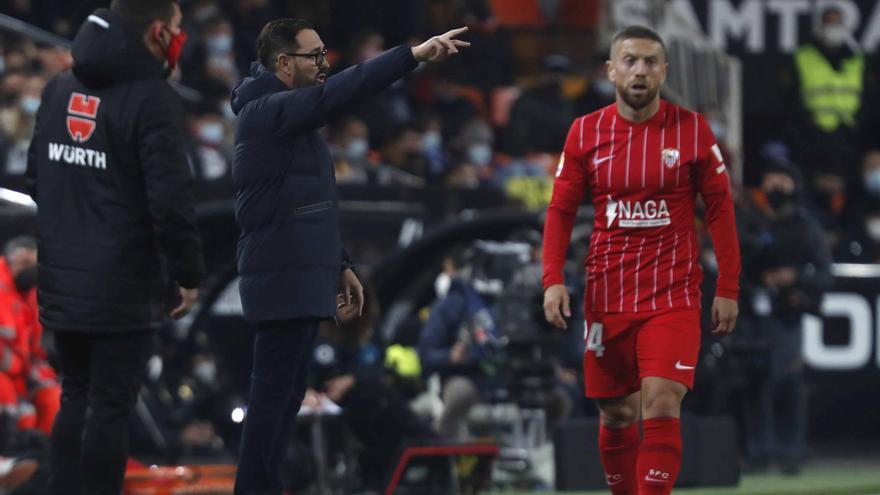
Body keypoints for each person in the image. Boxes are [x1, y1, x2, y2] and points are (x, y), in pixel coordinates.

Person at [229, 18, 469, 495]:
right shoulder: (265, 111)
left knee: (284, 399)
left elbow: (306, 207)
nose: (323, 65)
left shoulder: (291, 120)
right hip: (280, 277)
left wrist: (340, 265)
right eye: (313, 56)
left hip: (297, 274)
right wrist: (411, 55)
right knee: (273, 399)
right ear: (282, 63)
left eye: (324, 55)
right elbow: (339, 93)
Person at [542, 26, 741, 495]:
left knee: (661, 400)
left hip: (672, 294)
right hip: (608, 295)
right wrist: (552, 278)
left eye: (651, 61)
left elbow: (720, 209)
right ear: (611, 70)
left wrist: (728, 287)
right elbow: (560, 210)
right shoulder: (585, 131)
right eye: (629, 60)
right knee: (617, 413)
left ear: (664, 71)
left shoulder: (691, 129)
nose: (640, 70)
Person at [25, 1, 206, 493]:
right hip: (124, 283)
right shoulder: (153, 99)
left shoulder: (60, 87)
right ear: (155, 32)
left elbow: (36, 178)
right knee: (109, 404)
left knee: (75, 396)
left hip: (62, 278)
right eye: (176, 29)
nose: (179, 37)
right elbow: (170, 202)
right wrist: (187, 274)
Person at [740, 163, 832, 474]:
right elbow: (735, 266)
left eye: (782, 182)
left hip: (787, 314)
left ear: (794, 186)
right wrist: (757, 280)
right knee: (754, 384)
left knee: (787, 382)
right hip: (752, 314)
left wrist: (794, 277)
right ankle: (757, 453)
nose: (775, 188)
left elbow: (824, 275)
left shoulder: (806, 227)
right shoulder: (752, 224)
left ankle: (791, 452)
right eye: (770, 181)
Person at [0, 237, 60, 435]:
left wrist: (40, 373)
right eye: (28, 264)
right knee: (13, 404)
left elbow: (34, 345)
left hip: (22, 372)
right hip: (6, 374)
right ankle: (13, 454)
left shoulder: (28, 295)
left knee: (54, 396)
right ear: (18, 261)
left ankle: (46, 457)